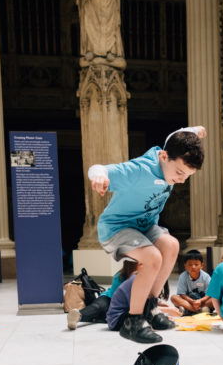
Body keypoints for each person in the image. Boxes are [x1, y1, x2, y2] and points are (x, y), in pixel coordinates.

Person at [88, 126, 205, 343]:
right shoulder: (140, 169)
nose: (181, 181)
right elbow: (99, 167)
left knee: (171, 246)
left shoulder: (170, 152)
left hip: (145, 226)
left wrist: (196, 131)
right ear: (163, 156)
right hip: (117, 227)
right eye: (179, 173)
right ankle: (133, 321)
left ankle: (150, 307)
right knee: (152, 257)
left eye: (187, 177)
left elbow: (173, 136)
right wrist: (98, 177)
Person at [79, 260, 137, 324]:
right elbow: (116, 299)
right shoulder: (119, 277)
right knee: (97, 307)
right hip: (109, 298)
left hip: (122, 307)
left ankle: (95, 317)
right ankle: (78, 316)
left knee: (100, 313)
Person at [171, 250, 215, 315]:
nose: (193, 267)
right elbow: (182, 294)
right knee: (174, 298)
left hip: (203, 301)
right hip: (189, 301)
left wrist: (200, 301)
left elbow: (209, 294)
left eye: (196, 264)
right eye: (190, 264)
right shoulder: (182, 276)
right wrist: (192, 301)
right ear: (185, 266)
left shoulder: (206, 277)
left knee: (215, 299)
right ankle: (196, 310)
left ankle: (189, 310)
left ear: (201, 265)